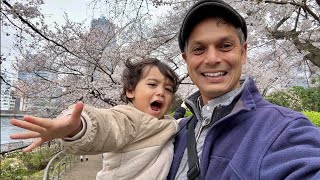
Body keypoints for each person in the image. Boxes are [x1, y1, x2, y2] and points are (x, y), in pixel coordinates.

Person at [167, 0, 320, 179]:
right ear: (186, 60)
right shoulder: (176, 132)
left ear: (243, 52)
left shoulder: (282, 129)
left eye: (225, 46)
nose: (212, 59)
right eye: (199, 49)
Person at [10, 58, 180, 180]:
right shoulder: (130, 118)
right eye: (152, 84)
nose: (161, 92)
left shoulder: (167, 124)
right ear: (130, 91)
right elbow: (108, 125)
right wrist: (76, 126)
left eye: (168, 89)